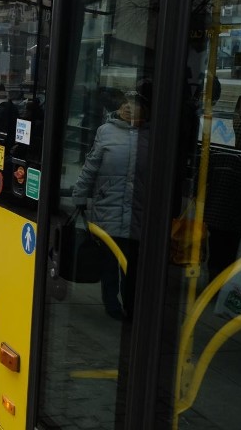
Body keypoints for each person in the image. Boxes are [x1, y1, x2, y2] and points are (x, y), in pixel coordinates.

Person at [72, 90, 150, 320]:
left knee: (132, 264)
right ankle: (111, 304)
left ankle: (132, 305)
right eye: (125, 103)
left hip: (138, 210)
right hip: (108, 206)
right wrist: (80, 196)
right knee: (109, 262)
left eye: (134, 104)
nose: (127, 107)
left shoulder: (152, 136)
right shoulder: (106, 131)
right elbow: (91, 166)